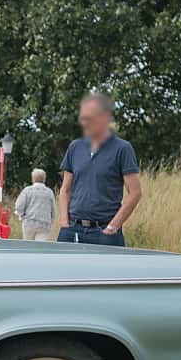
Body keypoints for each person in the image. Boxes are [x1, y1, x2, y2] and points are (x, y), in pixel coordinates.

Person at [57, 92, 141, 246]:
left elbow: (135, 193)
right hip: (72, 231)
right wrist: (64, 222)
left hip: (105, 233)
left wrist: (112, 227)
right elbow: (65, 190)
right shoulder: (75, 147)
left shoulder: (123, 149)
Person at [14, 168, 58, 242]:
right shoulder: (49, 192)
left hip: (29, 223)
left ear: (33, 178)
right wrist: (51, 221)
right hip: (44, 224)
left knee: (28, 247)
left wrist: (21, 215)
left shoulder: (27, 190)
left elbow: (19, 206)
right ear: (44, 179)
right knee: (40, 248)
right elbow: (53, 210)